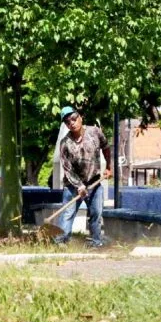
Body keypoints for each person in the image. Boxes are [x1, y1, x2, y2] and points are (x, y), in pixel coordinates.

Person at [56, 106, 112, 247]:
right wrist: (79, 186)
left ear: (80, 117)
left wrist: (109, 167)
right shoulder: (65, 143)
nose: (72, 123)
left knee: (96, 213)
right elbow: (67, 169)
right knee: (67, 214)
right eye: (67, 122)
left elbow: (106, 147)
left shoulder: (94, 132)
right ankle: (61, 242)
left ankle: (96, 243)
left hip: (94, 181)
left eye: (73, 118)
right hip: (72, 185)